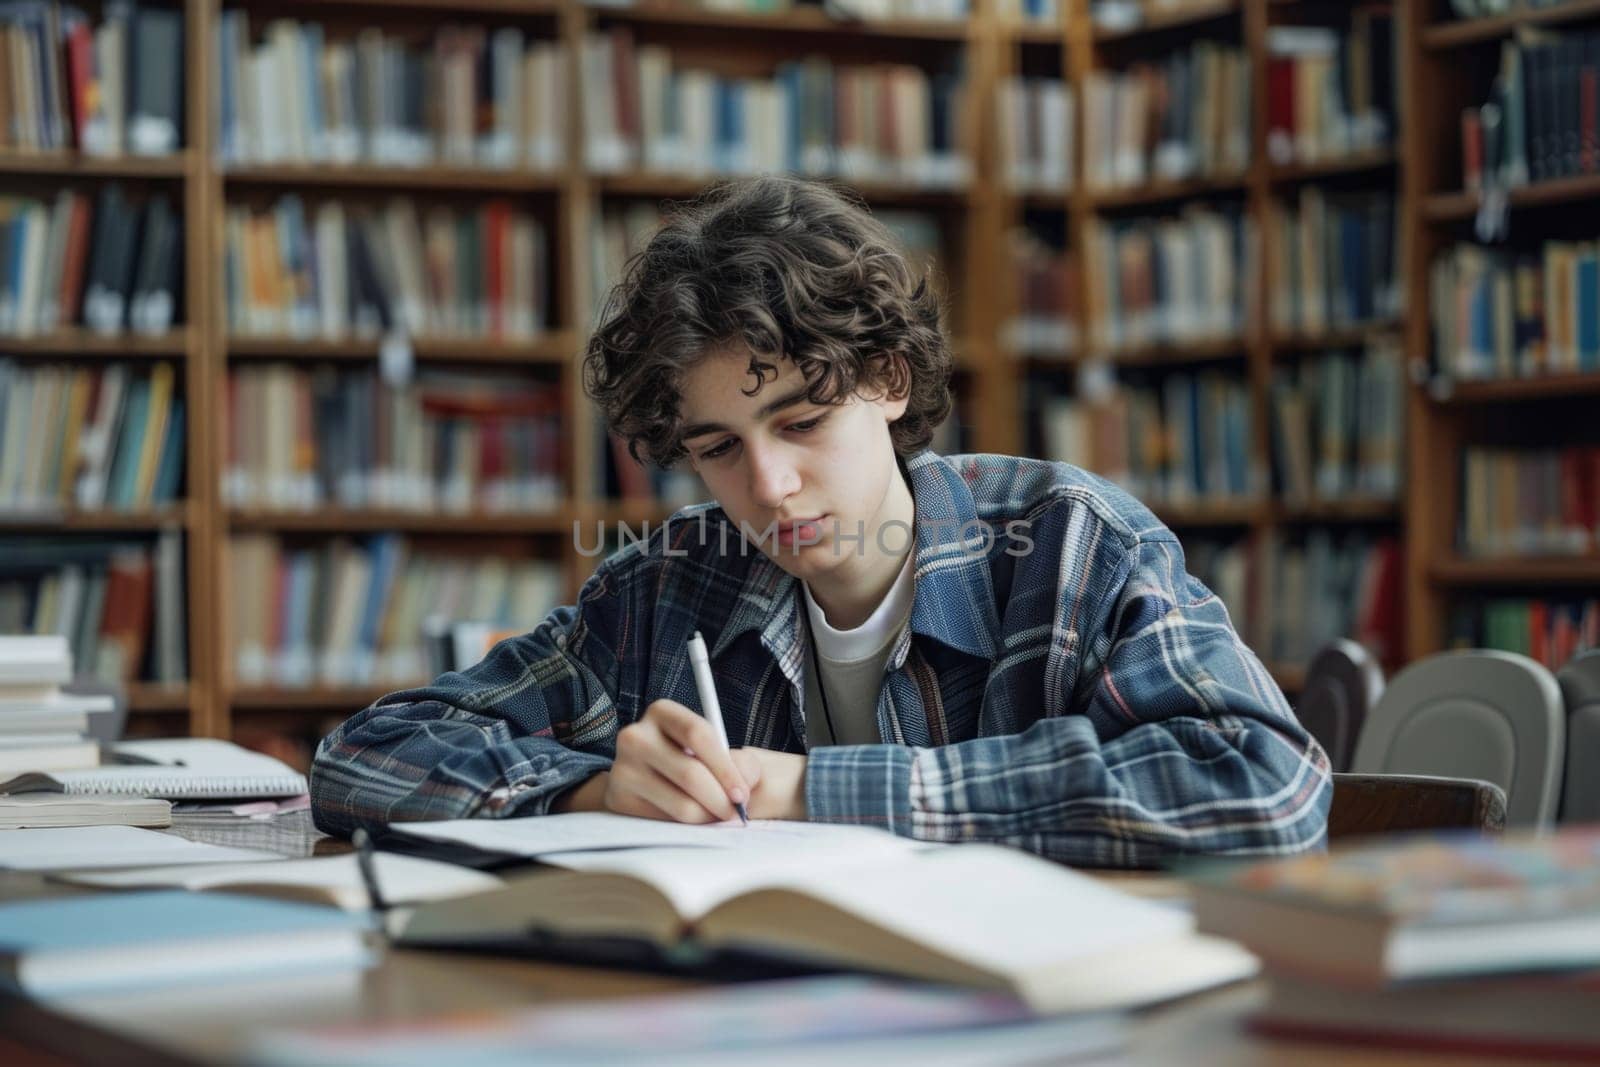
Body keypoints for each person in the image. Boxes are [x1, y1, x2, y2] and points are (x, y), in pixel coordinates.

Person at [310, 176, 1331, 867]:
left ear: (888, 378)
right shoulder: (668, 587)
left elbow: (1261, 785)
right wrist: (591, 795)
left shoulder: (1069, 545)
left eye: (799, 420)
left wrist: (815, 790)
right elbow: (367, 755)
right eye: (717, 448)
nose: (768, 486)